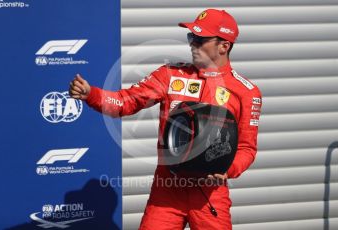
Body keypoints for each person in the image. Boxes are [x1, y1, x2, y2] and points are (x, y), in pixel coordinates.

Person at [69, 9, 262, 230]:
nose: (192, 44)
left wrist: (228, 169)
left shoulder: (246, 92)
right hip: (167, 189)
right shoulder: (169, 75)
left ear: (223, 46)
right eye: (191, 37)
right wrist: (91, 94)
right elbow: (126, 102)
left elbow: (247, 148)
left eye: (200, 39)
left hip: (210, 193)